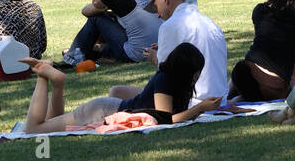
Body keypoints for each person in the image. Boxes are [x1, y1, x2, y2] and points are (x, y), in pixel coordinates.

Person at [17, 45, 223, 132]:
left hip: (109, 108)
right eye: (195, 71)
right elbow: (164, 119)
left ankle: (58, 83)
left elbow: (174, 115)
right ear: (185, 70)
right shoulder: (165, 80)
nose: (197, 76)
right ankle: (44, 76)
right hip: (102, 111)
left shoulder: (173, 82)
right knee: (33, 130)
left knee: (51, 125)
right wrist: (200, 108)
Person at [142, 0, 227, 105]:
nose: (158, 14)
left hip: (192, 102)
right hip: (220, 100)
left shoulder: (169, 26)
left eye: (156, 7)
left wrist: (154, 58)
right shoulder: (208, 22)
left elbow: (165, 75)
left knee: (118, 92)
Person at [63, 0, 160, 66]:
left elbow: (86, 11)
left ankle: (72, 56)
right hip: (158, 47)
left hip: (136, 54)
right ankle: (96, 52)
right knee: (111, 18)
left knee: (96, 18)